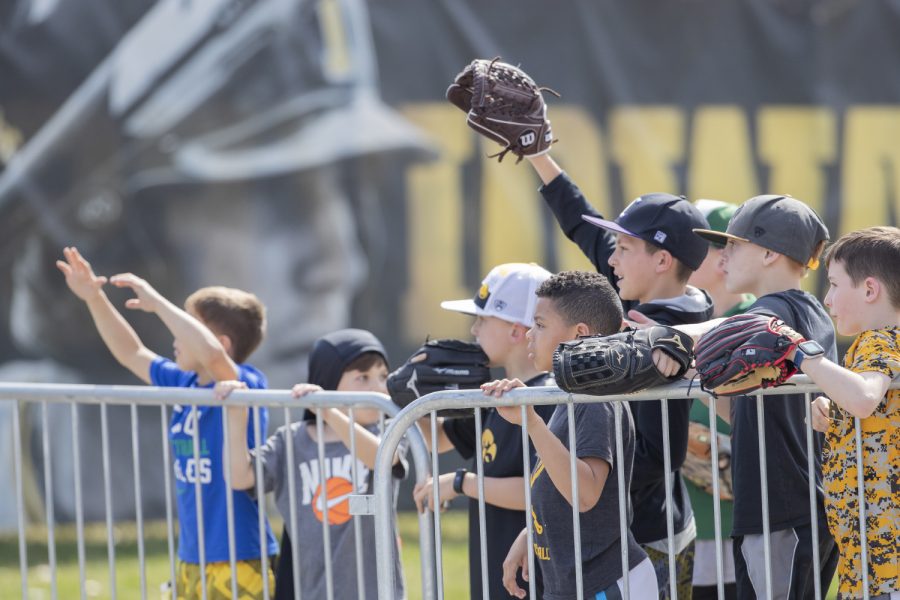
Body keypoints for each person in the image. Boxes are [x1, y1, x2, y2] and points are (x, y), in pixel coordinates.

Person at [525, 154, 714, 598]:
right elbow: (587, 232)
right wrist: (539, 157)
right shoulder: (660, 302)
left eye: (624, 249)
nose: (610, 260)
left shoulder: (661, 332)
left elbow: (657, 454)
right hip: (631, 532)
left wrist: (584, 494)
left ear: (663, 260)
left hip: (644, 539)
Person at [56, 246, 278, 598]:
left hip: (239, 555)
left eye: (185, 327)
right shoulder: (185, 382)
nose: (175, 339)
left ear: (220, 342)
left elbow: (212, 355)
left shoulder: (243, 384)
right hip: (192, 556)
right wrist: (93, 297)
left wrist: (158, 303)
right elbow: (132, 353)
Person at [669, 194, 840, 599]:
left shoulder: (773, 311)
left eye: (734, 244)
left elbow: (733, 328)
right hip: (786, 508)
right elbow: (750, 413)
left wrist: (661, 337)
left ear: (768, 253)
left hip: (782, 510)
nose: (723, 256)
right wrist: (700, 375)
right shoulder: (805, 309)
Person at [487, 270, 657, 599]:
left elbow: (584, 493)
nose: (529, 336)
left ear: (578, 335)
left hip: (606, 584)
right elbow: (558, 485)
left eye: (540, 324)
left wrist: (532, 423)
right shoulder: (573, 395)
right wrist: (530, 536)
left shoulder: (595, 400)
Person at [218, 328, 408, 600]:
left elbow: (382, 458)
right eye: (363, 377)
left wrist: (328, 411)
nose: (378, 388)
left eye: (382, 376)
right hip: (311, 589)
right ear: (327, 381)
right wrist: (235, 413)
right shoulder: (291, 440)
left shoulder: (388, 430)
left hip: (375, 592)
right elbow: (240, 477)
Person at [412, 262, 555, 600]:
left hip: (534, 575)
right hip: (495, 569)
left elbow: (546, 491)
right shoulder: (493, 393)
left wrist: (462, 483)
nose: (474, 330)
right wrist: (414, 397)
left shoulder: (550, 395)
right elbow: (437, 439)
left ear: (517, 331)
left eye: (482, 319)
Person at [795, 226, 900, 600]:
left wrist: (801, 355)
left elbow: (864, 398)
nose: (827, 298)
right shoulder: (876, 343)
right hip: (869, 566)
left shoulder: (881, 338)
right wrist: (832, 405)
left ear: (870, 290)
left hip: (884, 572)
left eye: (835, 285)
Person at [685, 200, 754, 599]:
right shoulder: (681, 317)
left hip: (737, 517)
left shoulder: (760, 315)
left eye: (703, 243)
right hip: (687, 515)